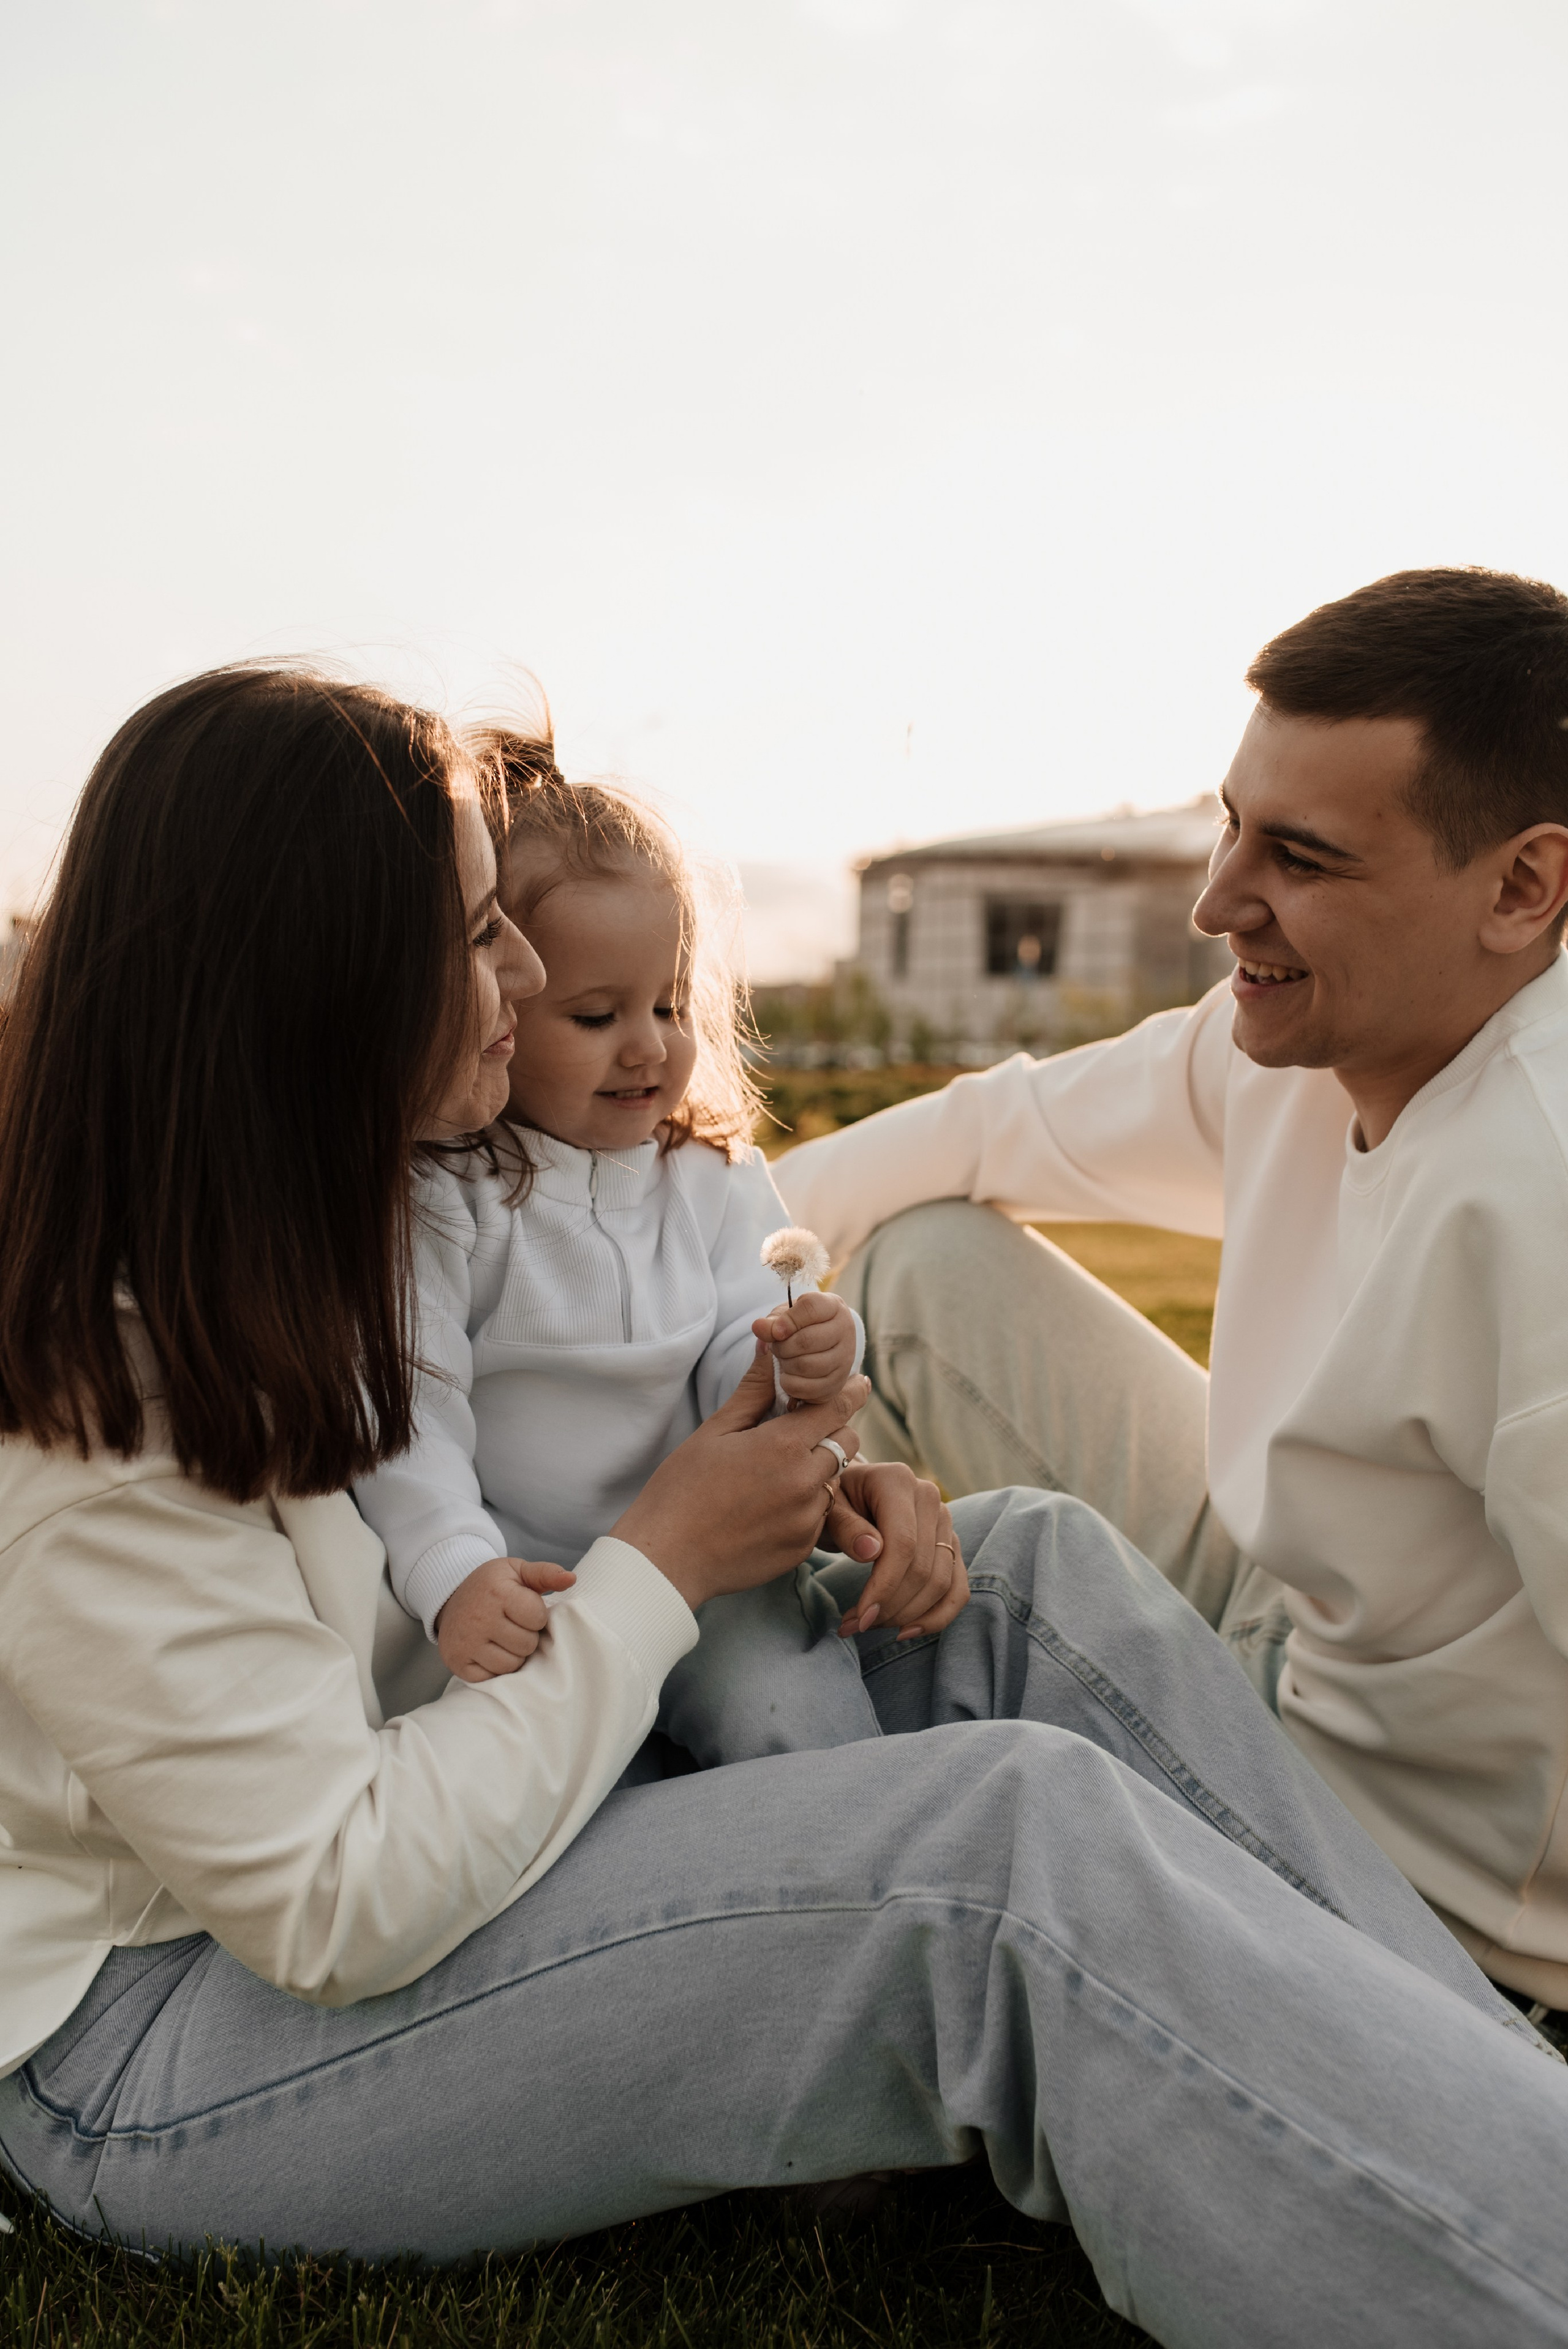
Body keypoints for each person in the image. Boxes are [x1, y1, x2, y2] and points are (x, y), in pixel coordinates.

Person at [4, 665, 1568, 2349]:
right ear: (317, 986)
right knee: (997, 1847)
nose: (526, 972)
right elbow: (334, 1895)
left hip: (483, 1789)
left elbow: (579, 1420)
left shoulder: (364, 1200)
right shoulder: (92, 1407)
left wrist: (796, 1478)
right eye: (474, 937)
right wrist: (667, 1555)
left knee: (1022, 1571)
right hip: (175, 2039)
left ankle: (1489, 2106)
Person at [776, 565, 1568, 2018]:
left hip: (1402, 1859)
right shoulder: (1304, 1034)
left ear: (1520, 886)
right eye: (1228, 827)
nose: (1217, 904)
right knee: (917, 1255)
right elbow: (979, 1128)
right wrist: (611, 1281)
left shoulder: (1542, 1183)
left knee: (1015, 1574)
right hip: (1294, 1613)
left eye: (1301, 859)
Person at [356, 734, 896, 1762]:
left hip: (717, 1579)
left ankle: (855, 1845)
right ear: (499, 1010)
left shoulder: (706, 1175)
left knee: (789, 1718)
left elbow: (749, 1355)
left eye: (669, 1003)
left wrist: (814, 1356)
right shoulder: (447, 1200)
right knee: (557, 1794)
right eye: (598, 1015)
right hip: (529, 1594)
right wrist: (452, 1571)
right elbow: (406, 1414)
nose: (649, 1044)